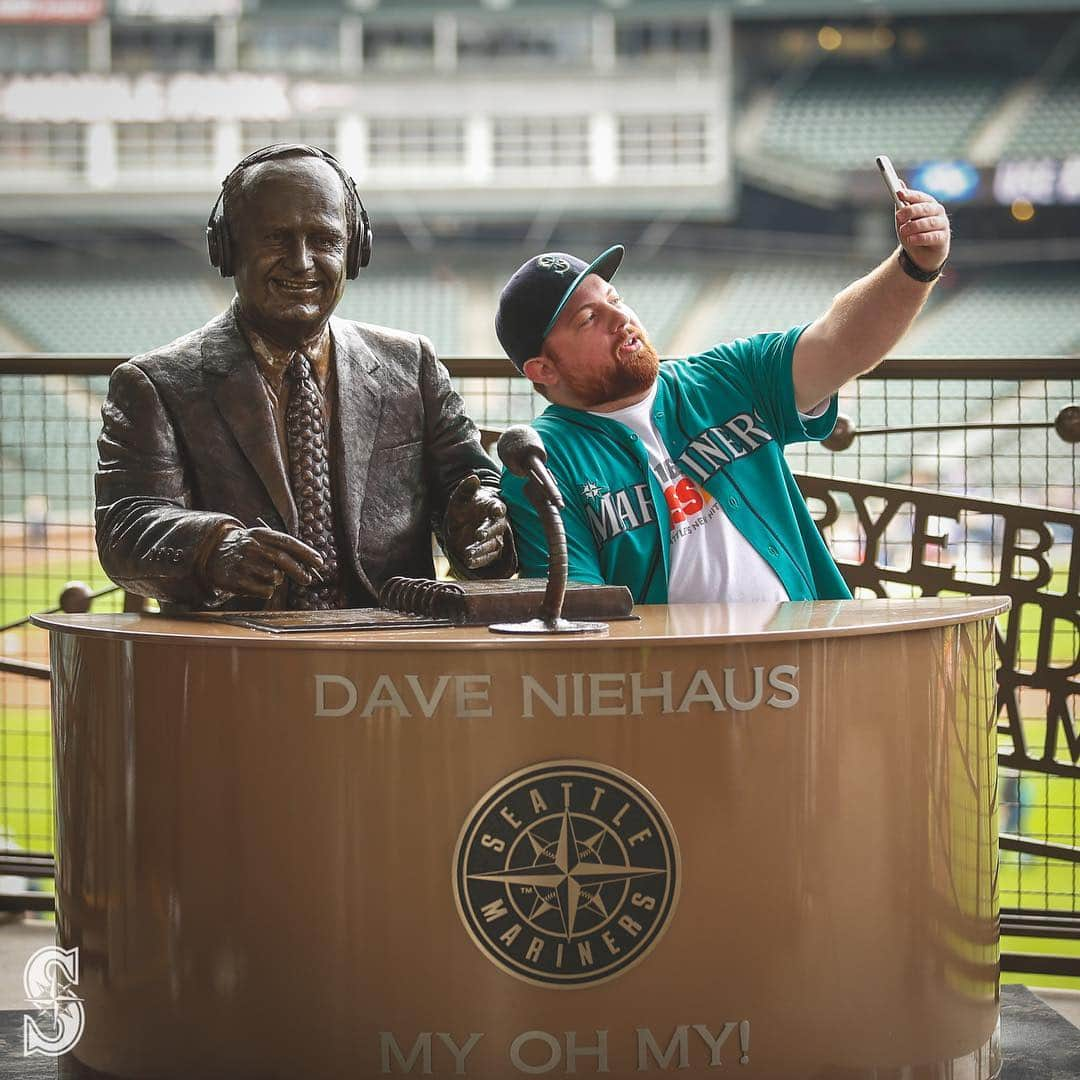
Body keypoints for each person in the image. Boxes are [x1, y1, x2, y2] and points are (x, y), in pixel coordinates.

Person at [96, 144, 513, 612]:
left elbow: (472, 483)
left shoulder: (412, 364)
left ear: (355, 250)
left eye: (324, 240)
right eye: (276, 239)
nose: (301, 260)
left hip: (392, 655)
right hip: (240, 657)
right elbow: (126, 529)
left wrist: (482, 522)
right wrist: (214, 549)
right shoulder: (154, 384)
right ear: (228, 249)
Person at [496, 188, 951, 603]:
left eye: (614, 298)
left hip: (809, 658)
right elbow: (580, 608)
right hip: (672, 687)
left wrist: (914, 266)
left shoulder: (724, 377)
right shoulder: (541, 460)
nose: (620, 318)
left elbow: (838, 341)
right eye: (588, 319)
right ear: (543, 369)